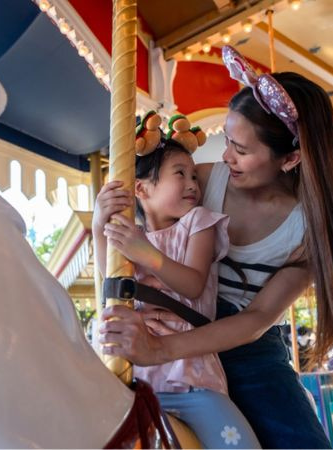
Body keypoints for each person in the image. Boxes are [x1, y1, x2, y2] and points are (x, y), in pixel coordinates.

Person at [98, 45, 333, 448]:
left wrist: (161, 349)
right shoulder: (204, 182)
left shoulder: (308, 230)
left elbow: (256, 319)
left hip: (247, 352)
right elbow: (141, 232)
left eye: (241, 150)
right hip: (168, 320)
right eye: (227, 140)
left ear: (290, 158)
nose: (225, 157)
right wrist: (106, 213)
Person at [93, 133, 260, 448]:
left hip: (192, 377)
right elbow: (111, 281)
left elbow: (193, 285)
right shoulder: (134, 236)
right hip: (141, 376)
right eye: (179, 173)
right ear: (141, 188)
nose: (193, 183)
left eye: (194, 175)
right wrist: (100, 222)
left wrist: (148, 255)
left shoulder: (199, 222)